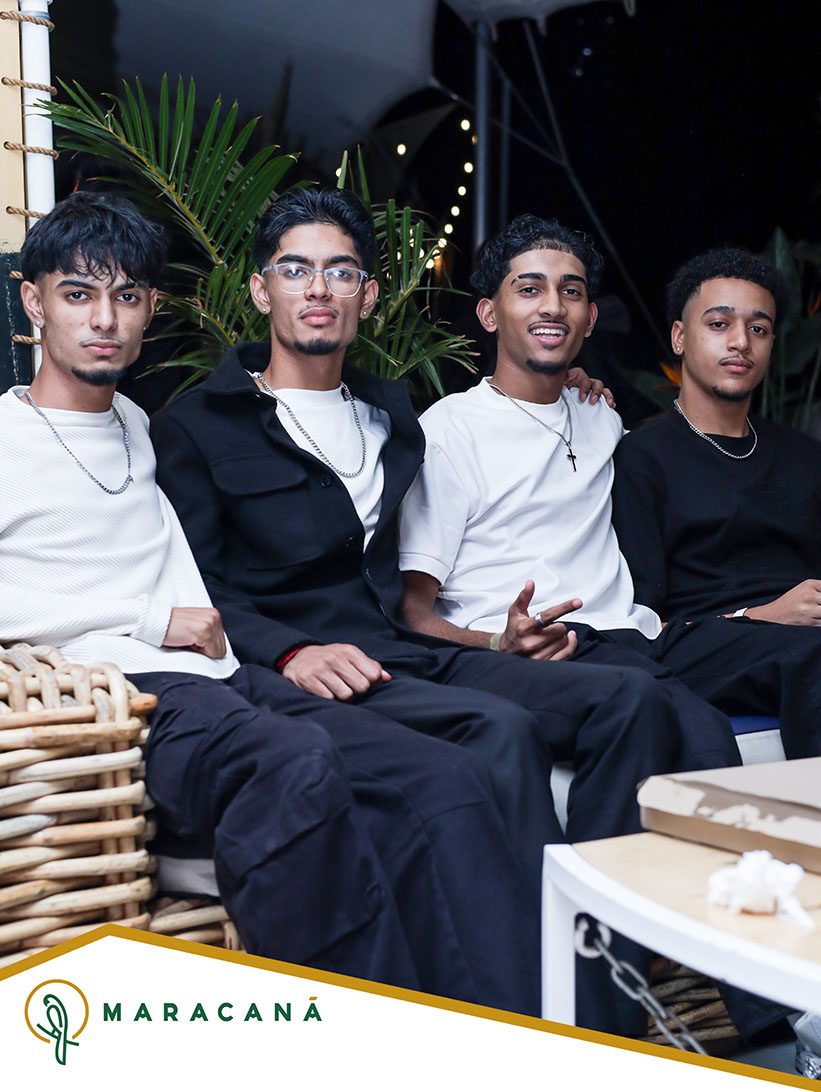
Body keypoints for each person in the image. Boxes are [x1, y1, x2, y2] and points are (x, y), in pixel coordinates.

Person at [149, 188, 743, 1035]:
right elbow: (195, 585)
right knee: (502, 733)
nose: (318, 289)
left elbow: (521, 416)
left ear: (367, 296)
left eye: (340, 272)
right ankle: (553, 1015)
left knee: (627, 698)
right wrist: (285, 652)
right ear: (260, 288)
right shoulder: (197, 425)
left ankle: (595, 988)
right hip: (303, 663)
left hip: (405, 647)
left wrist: (575, 384)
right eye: (295, 269)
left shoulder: (393, 413)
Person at [0, 190, 562, 1018]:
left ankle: (525, 1031)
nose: (105, 320)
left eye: (127, 296)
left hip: (229, 678)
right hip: (132, 695)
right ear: (33, 301)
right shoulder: (9, 436)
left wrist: (575, 386)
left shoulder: (137, 425)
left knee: (445, 774)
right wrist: (152, 620)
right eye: (78, 295)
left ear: (151, 308)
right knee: (298, 764)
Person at [398, 216, 821, 767]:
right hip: (526, 651)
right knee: (665, 716)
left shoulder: (601, 420)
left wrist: (819, 491)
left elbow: (702, 471)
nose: (552, 306)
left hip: (626, 642)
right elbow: (412, 611)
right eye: (529, 289)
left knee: (702, 730)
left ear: (590, 318)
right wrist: (496, 643)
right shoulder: (448, 430)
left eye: (570, 292)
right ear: (488, 313)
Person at [611, 246, 821, 630]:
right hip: (711, 649)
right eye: (719, 324)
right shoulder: (641, 458)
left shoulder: (808, 456)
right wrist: (763, 617)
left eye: (758, 329)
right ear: (679, 337)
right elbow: (640, 629)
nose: (741, 342)